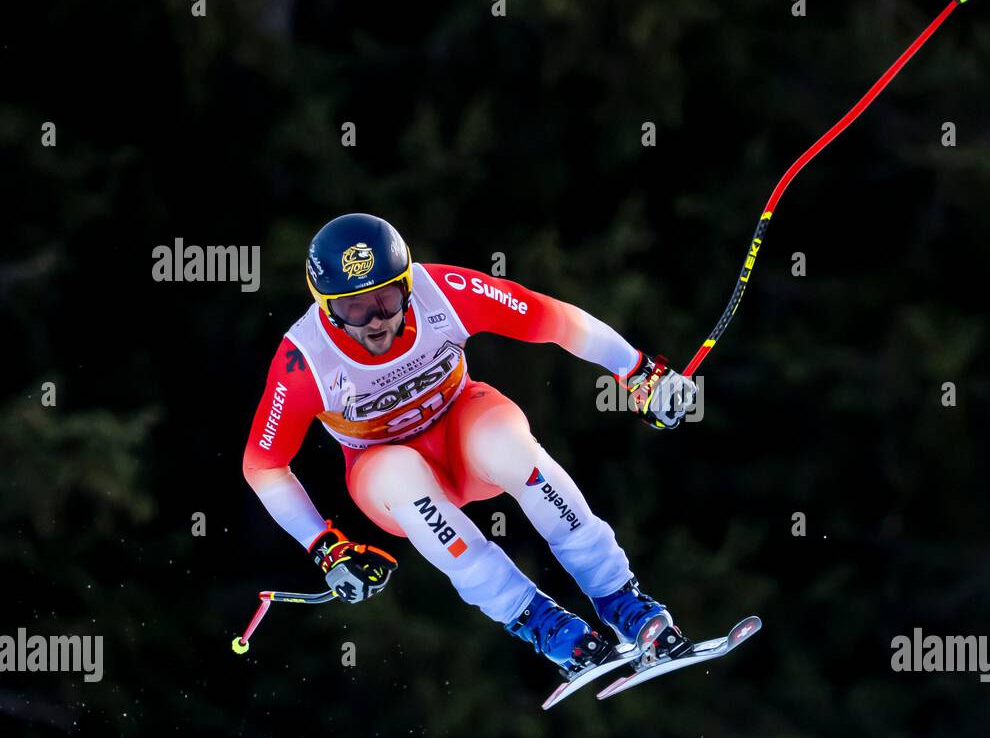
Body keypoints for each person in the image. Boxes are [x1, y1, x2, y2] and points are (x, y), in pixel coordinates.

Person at [242, 213, 698, 680]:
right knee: (401, 474)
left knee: (508, 445)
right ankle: (544, 626)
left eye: (388, 297)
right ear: (326, 306)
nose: (377, 320)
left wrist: (640, 372)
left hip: (464, 431)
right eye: (356, 309)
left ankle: (623, 600)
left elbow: (554, 320)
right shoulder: (305, 361)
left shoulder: (442, 291)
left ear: (406, 283)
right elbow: (263, 466)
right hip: (383, 469)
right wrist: (324, 547)